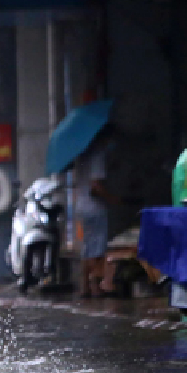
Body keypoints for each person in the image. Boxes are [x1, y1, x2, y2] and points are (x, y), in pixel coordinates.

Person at [74, 127, 121, 298]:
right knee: (97, 248)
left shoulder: (81, 155)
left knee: (88, 247)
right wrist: (112, 198)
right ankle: (97, 285)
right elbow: (96, 186)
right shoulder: (98, 155)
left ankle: (84, 286)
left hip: (81, 205)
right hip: (94, 207)